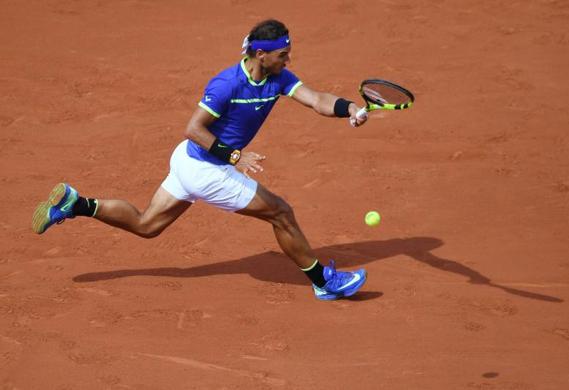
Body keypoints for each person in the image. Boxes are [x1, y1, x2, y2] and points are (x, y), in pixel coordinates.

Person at [32, 19, 369, 300]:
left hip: (188, 163)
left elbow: (315, 99)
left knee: (146, 225)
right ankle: (324, 283)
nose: (288, 60)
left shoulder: (277, 78)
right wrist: (235, 156)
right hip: (206, 167)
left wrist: (349, 109)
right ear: (262, 54)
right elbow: (194, 128)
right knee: (281, 212)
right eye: (283, 54)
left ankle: (77, 204)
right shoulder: (227, 84)